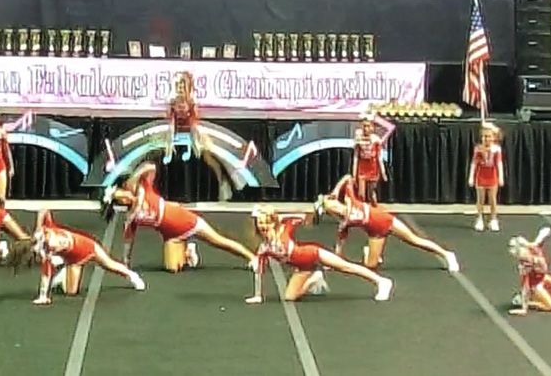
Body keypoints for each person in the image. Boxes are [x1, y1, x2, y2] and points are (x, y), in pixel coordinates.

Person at [103, 162, 257, 273]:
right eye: (120, 200)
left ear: (125, 189)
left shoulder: (143, 187)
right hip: (170, 234)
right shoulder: (131, 217)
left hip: (183, 220)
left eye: (122, 195)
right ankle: (188, 251)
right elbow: (128, 241)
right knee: (172, 268)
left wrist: (134, 177)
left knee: (218, 241)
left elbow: (151, 166)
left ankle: (251, 257)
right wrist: (126, 263)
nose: (125, 199)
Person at [245, 205, 393, 304]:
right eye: (260, 224)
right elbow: (259, 272)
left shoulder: (284, 228)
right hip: (303, 268)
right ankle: (314, 279)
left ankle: (381, 281)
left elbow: (303, 215)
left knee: (346, 267)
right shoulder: (264, 248)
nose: (263, 227)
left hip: (313, 253)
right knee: (289, 297)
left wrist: (279, 216)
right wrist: (258, 295)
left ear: (273, 222)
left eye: (266, 223)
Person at [316, 191, 459, 272]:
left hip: (386, 220)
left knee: (414, 240)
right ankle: (370, 252)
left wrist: (336, 189)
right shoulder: (344, 223)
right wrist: (333, 262)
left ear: (335, 201)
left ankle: (447, 254)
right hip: (376, 234)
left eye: (332, 205)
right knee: (370, 266)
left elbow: (348, 177)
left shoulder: (350, 198)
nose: (333, 208)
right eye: (330, 210)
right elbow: (339, 245)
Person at [25, 209, 145, 305]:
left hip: (88, 247)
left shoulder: (49, 245)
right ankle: (64, 273)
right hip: (73, 260)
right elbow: (43, 211)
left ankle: (131, 275)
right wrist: (38, 227)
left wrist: (43, 295)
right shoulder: (47, 230)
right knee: (71, 292)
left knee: (109, 264)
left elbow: (46, 273)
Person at [166, 71, 232, 201]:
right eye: (178, 85)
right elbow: (171, 119)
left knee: (208, 155)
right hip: (176, 130)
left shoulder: (191, 101)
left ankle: (222, 183)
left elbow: (194, 119)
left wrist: (195, 137)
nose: (180, 88)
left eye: (183, 85)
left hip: (191, 129)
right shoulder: (173, 101)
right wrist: (170, 139)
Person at [352, 113, 395, 205]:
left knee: (371, 194)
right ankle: (363, 210)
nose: (366, 129)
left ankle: (374, 207)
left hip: (373, 167)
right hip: (362, 168)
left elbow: (379, 157)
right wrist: (354, 173)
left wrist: (383, 172)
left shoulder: (376, 140)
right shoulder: (358, 139)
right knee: (361, 195)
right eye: (364, 126)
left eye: (368, 126)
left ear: (372, 127)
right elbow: (356, 157)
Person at [469, 122, 504, 232]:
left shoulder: (497, 149)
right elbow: (474, 163)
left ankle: (493, 219)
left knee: (492, 199)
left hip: (492, 176)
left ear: (493, 138)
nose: (486, 139)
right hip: (481, 176)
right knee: (480, 199)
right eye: (484, 137)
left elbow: (499, 163)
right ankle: (479, 218)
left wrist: (501, 177)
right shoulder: (478, 149)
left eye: (488, 136)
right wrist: (471, 177)